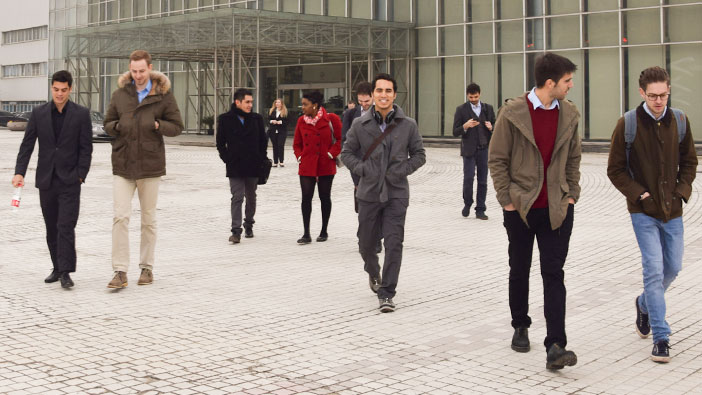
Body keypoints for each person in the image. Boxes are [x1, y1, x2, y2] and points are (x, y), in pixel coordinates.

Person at [488, 53, 581, 370]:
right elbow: (497, 159)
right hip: (521, 208)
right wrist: (507, 200)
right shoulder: (512, 112)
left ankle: (556, 344)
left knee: (554, 274)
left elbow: (573, 160)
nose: (570, 87)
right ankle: (520, 325)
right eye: (567, 81)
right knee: (520, 267)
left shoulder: (569, 114)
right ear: (551, 83)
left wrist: (571, 197)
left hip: (557, 209)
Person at [607, 66, 697, 363]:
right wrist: (640, 194)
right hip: (643, 212)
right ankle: (661, 336)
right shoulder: (628, 124)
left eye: (664, 95)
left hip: (673, 210)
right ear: (642, 93)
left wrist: (682, 191)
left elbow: (689, 162)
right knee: (654, 270)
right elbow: (615, 169)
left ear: (668, 91)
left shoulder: (680, 121)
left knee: (673, 267)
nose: (659, 101)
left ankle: (644, 303)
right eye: (653, 95)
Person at [340, 73, 426, 313]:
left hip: (396, 193)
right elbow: (346, 153)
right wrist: (364, 169)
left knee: (394, 243)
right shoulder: (360, 124)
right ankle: (373, 271)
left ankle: (387, 293)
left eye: (388, 91)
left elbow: (420, 155)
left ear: (394, 95)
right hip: (368, 193)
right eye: (380, 91)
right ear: (373, 94)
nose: (384, 95)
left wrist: (401, 170)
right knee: (366, 244)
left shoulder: (408, 124)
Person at [103, 50, 184, 289]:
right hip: (123, 164)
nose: (137, 75)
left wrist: (158, 124)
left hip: (150, 165)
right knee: (120, 217)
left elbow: (177, 126)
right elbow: (107, 123)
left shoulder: (164, 96)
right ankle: (119, 271)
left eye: (141, 71)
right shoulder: (119, 95)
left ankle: (147, 267)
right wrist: (117, 126)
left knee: (148, 219)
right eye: (134, 71)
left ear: (150, 68)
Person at [12, 70, 93, 289]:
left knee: (65, 225)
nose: (59, 94)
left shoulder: (81, 114)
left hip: (70, 181)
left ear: (70, 89)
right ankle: (56, 267)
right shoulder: (38, 114)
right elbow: (27, 145)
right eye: (56, 89)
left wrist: (80, 175)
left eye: (63, 90)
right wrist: (20, 172)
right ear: (51, 88)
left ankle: (66, 272)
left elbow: (86, 148)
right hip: (47, 180)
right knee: (51, 227)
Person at [217, 88, 268, 244]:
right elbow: (220, 143)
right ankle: (236, 230)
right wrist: (227, 159)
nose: (250, 105)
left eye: (251, 102)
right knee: (237, 197)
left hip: (253, 165)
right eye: (247, 102)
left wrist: (260, 159)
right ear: (237, 102)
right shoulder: (225, 119)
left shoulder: (256, 119)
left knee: (251, 197)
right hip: (235, 165)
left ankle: (249, 223)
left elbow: (263, 141)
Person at [292, 91, 342, 244]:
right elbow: (296, 143)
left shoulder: (331, 119)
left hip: (325, 164)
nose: (303, 107)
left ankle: (324, 230)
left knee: (324, 197)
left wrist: (330, 154)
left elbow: (340, 140)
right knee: (306, 198)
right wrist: (300, 156)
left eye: (305, 104)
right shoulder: (301, 121)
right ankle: (306, 233)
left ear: (315, 105)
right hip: (307, 165)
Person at [452, 83, 495, 220]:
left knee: (483, 181)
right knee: (468, 178)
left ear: (480, 94)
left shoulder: (488, 108)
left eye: (476, 97)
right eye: (471, 97)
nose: (473, 99)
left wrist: (491, 127)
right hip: (469, 150)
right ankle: (467, 203)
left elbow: (496, 128)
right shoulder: (461, 110)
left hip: (484, 149)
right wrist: (465, 126)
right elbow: (455, 131)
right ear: (467, 95)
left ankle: (480, 209)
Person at [342, 82, 374, 212]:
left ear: (373, 96)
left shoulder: (383, 113)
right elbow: (344, 140)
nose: (364, 104)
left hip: (377, 163)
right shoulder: (350, 114)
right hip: (357, 163)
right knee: (361, 202)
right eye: (360, 101)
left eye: (367, 101)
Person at [267, 98, 288, 167]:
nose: (277, 104)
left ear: (281, 104)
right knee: (275, 146)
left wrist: (280, 122)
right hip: (273, 131)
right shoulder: (271, 111)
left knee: (280, 145)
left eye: (279, 102)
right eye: (276, 102)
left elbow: (288, 121)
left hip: (282, 131)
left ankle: (281, 161)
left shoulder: (285, 111)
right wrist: (272, 121)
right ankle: (275, 162)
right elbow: (268, 120)